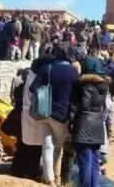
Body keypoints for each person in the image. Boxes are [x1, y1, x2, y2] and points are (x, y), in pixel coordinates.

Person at [30, 44, 80, 186]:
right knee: (57, 148)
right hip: (62, 115)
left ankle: (49, 178)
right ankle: (56, 179)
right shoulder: (73, 72)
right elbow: (77, 96)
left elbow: (33, 88)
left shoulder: (47, 68)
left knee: (46, 146)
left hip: (44, 112)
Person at [70, 56, 110, 187]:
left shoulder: (85, 85)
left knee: (85, 161)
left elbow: (84, 104)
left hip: (84, 124)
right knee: (94, 160)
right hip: (98, 124)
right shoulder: (104, 86)